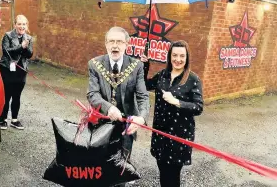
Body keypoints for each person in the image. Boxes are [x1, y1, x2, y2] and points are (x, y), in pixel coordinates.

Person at [87, 26, 150, 187]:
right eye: (111, 41)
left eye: (119, 42)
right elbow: (92, 94)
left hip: (126, 126)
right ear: (106, 44)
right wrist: (108, 107)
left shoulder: (136, 66)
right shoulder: (94, 64)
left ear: (126, 45)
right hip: (101, 125)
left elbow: (143, 96)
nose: (115, 45)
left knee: (121, 168)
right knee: (100, 166)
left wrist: (141, 118)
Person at [141, 40, 203, 187]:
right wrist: (145, 65)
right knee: (162, 171)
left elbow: (198, 107)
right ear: (169, 57)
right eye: (174, 55)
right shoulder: (163, 75)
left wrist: (177, 102)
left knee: (173, 176)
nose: (178, 59)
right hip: (160, 134)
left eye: (182, 56)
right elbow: (145, 85)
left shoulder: (193, 79)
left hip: (178, 137)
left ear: (187, 58)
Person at [0, 15, 33, 130]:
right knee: (6, 95)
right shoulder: (8, 36)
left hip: (21, 71)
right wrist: (20, 46)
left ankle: (14, 120)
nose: (22, 26)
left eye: (24, 24)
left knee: (17, 96)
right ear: (15, 25)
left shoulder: (28, 38)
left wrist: (26, 47)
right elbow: (7, 52)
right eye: (19, 24)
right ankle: (2, 119)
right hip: (8, 70)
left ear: (26, 25)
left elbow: (29, 55)